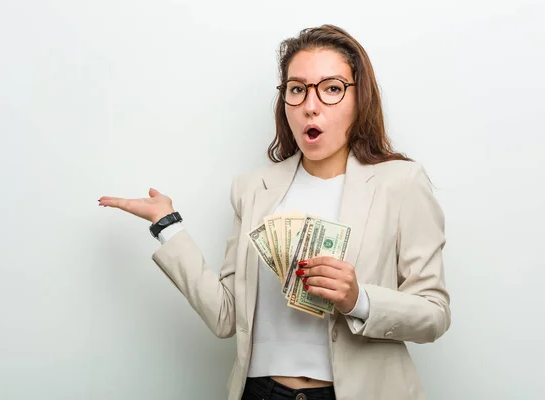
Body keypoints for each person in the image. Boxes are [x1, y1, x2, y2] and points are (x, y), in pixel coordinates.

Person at [98, 24, 451, 400]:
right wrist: (167, 225)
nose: (310, 105)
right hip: (261, 392)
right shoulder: (253, 189)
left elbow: (434, 314)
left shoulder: (401, 183)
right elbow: (226, 316)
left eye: (331, 88)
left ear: (359, 98)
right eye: (297, 89)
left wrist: (358, 299)